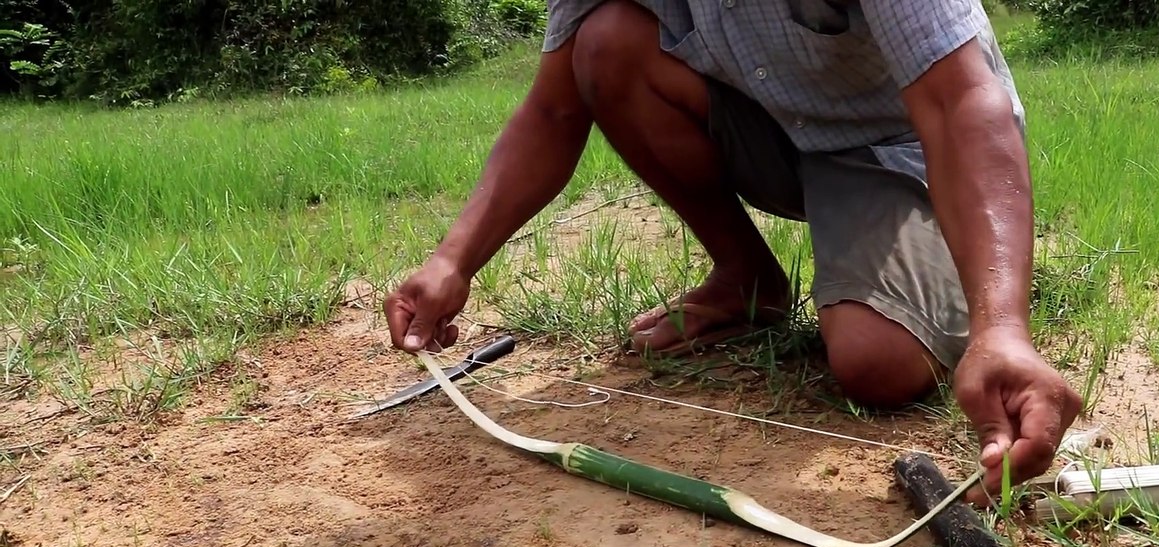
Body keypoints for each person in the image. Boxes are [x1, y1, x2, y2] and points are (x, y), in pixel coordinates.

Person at [383, 0, 1083, 503]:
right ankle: (747, 277)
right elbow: (553, 110)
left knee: (877, 364)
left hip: (897, 148)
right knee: (606, 41)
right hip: (772, 129)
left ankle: (937, 276)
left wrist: (1001, 327)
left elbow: (959, 101)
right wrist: (453, 259)